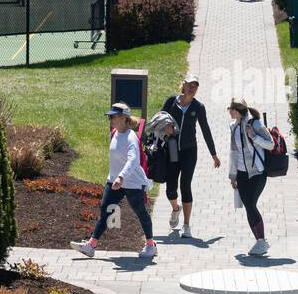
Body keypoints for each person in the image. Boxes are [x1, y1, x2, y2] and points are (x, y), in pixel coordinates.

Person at [71, 103, 157, 259]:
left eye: (113, 117)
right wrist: (113, 178)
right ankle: (91, 245)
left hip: (131, 182)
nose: (110, 119)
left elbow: (133, 160)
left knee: (140, 212)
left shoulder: (130, 137)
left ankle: (150, 245)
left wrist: (121, 177)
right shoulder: (114, 133)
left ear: (124, 118)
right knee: (105, 209)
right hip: (114, 180)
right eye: (109, 116)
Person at [161, 76, 220, 238]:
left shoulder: (198, 107)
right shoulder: (171, 102)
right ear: (184, 85)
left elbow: (206, 130)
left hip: (189, 150)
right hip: (172, 149)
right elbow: (159, 118)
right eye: (190, 85)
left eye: (195, 86)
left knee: (185, 185)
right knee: (170, 188)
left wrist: (214, 154)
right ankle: (175, 209)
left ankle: (187, 225)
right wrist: (165, 127)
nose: (192, 88)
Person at [226, 96, 276, 257]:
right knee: (248, 206)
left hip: (257, 172)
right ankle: (259, 241)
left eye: (230, 109)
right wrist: (232, 175)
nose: (229, 112)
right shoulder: (233, 126)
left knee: (251, 203)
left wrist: (253, 137)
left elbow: (271, 144)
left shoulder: (254, 124)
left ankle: (262, 241)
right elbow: (233, 152)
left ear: (237, 110)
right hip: (241, 173)